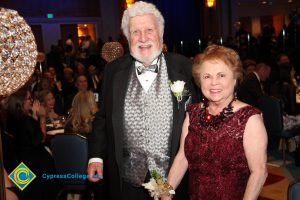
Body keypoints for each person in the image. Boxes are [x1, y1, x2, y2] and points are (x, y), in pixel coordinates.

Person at [87, 1, 198, 200]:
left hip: (172, 176)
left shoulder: (183, 67)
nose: (143, 38)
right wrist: (96, 157)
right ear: (128, 38)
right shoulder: (113, 71)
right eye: (135, 32)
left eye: (149, 30)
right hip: (128, 179)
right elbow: (102, 117)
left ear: (161, 34)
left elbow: (198, 115)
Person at [162, 45, 268, 200]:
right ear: (199, 80)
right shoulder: (193, 113)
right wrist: (165, 193)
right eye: (207, 76)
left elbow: (259, 172)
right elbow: (182, 158)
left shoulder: (249, 118)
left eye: (221, 75)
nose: (214, 83)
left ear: (235, 78)